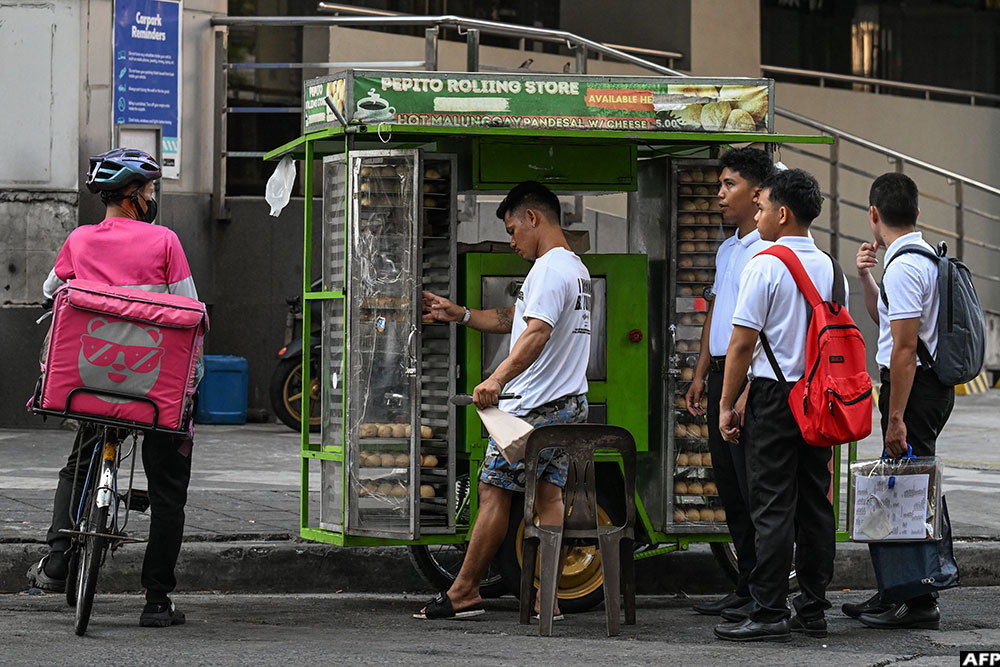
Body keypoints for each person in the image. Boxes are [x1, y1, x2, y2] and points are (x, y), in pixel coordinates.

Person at [26, 148, 198, 628]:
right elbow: (189, 309)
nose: (152, 197)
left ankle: (58, 558)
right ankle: (157, 601)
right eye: (149, 190)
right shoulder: (165, 242)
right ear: (134, 195)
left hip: (90, 382)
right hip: (151, 389)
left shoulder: (79, 240)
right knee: (167, 489)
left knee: (78, 465)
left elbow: (48, 290)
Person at [414, 181, 591, 620]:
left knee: (493, 493)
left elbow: (536, 334)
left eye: (513, 229)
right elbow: (518, 319)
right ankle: (545, 597)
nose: (512, 241)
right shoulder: (574, 269)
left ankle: (465, 592)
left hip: (531, 408)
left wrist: (495, 379)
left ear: (533, 218)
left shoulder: (550, 268)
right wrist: (463, 314)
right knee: (548, 497)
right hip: (568, 404)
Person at [714, 168, 844, 642]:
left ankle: (769, 610)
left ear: (782, 213)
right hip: (818, 398)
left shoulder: (765, 264)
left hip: (774, 398)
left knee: (771, 505)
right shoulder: (829, 265)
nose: (759, 212)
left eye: (764, 206)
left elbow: (742, 345)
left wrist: (728, 403)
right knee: (814, 503)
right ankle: (812, 607)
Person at [842, 172, 951, 630]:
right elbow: (886, 320)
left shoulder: (906, 266)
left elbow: (905, 349)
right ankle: (898, 592)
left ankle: (917, 599)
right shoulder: (916, 257)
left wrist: (896, 419)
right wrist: (866, 275)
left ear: (873, 214)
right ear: (917, 214)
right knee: (908, 488)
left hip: (914, 388)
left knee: (905, 490)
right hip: (924, 385)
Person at [685, 147, 774, 617]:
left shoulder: (766, 249)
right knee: (730, 492)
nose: (719, 194)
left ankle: (763, 591)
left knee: (753, 486)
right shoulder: (727, 248)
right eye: (719, 185)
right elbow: (715, 313)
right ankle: (744, 585)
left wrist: (738, 393)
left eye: (729, 185)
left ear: (757, 192)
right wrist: (702, 374)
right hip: (721, 372)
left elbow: (759, 332)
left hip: (749, 380)